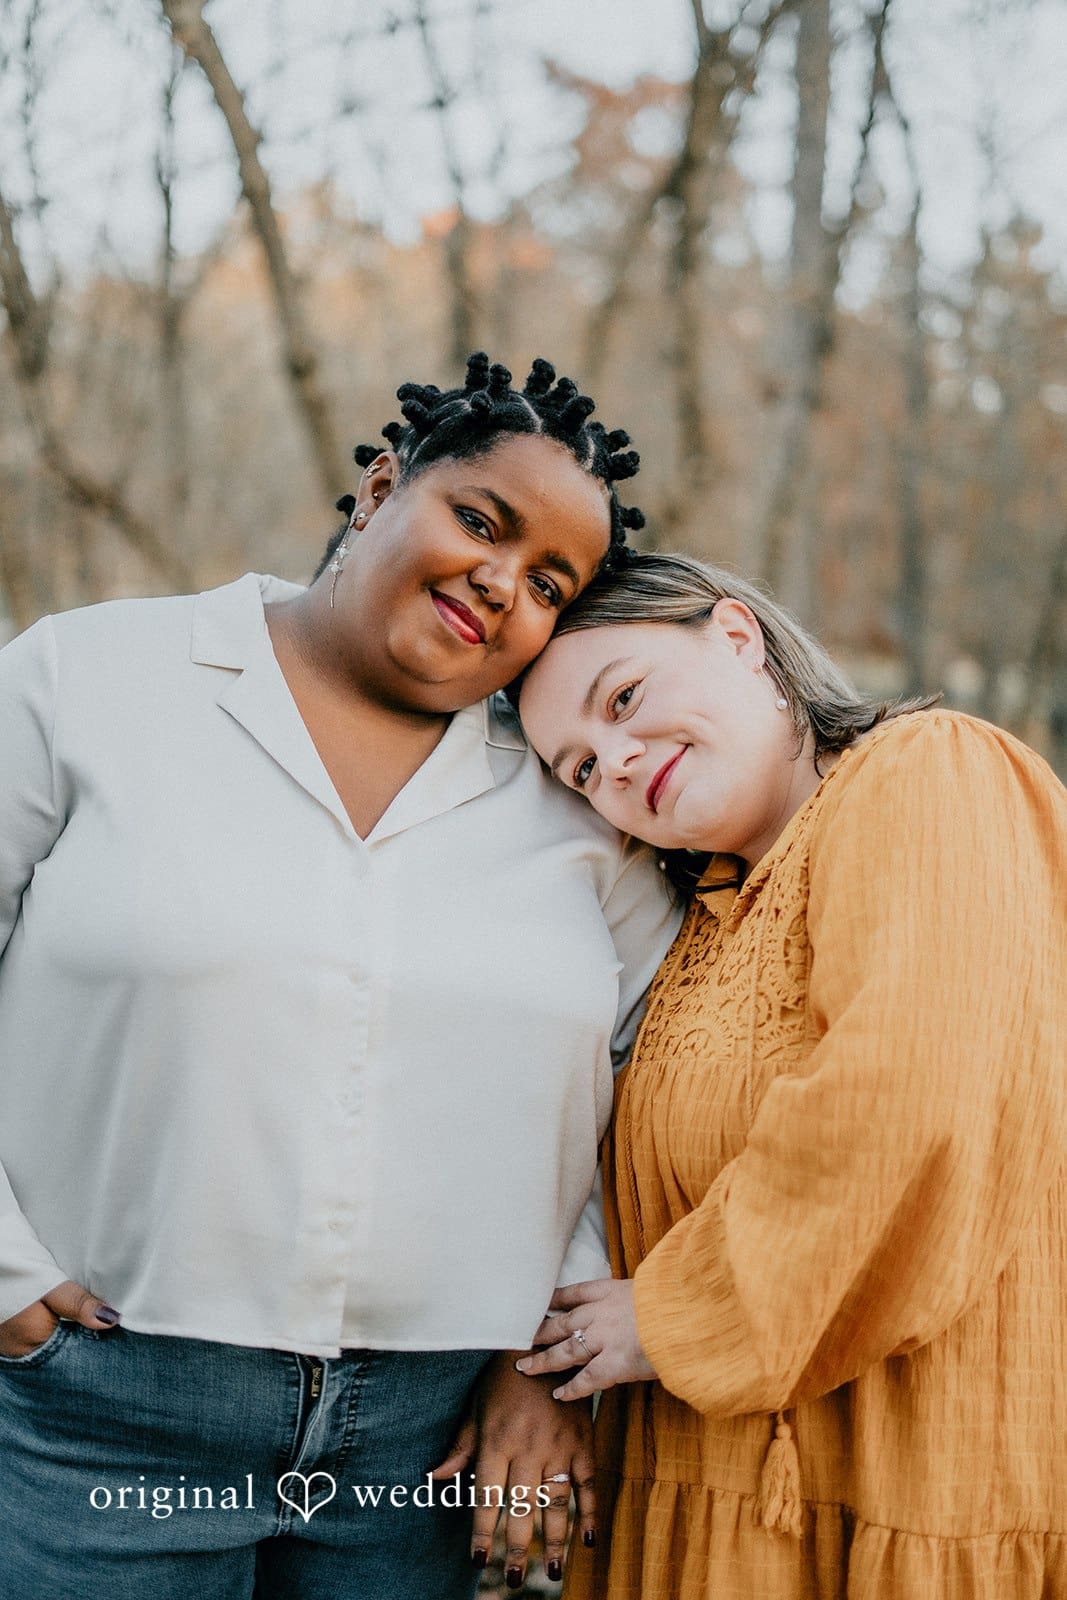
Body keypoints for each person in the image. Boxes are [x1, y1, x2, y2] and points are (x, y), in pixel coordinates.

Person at [0, 356, 681, 1599]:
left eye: (548, 584)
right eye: (480, 520)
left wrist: (540, 1366)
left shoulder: (580, 798)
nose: (499, 582)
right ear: (378, 489)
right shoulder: (87, 679)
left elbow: (634, 1091)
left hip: (429, 1446)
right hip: (100, 1402)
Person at [516, 550, 1067, 1600]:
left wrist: (673, 1314)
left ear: (735, 636)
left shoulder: (926, 773)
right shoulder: (692, 933)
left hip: (904, 1491)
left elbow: (904, 1100)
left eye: (623, 699)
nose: (618, 763)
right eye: (580, 768)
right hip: (708, 1520)